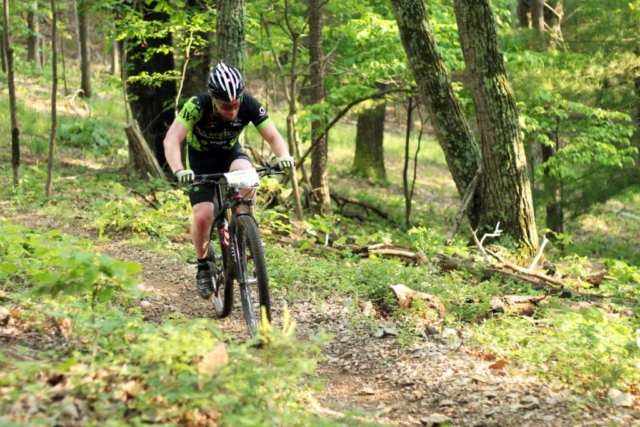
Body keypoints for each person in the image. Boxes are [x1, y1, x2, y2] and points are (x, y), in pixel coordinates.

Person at [163, 62, 294, 300]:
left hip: (230, 154)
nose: (232, 111)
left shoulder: (249, 104)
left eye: (236, 105)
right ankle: (203, 266)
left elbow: (273, 135)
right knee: (203, 216)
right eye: (225, 106)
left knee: (248, 177)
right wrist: (179, 169)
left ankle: (245, 231)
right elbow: (172, 139)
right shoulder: (196, 106)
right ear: (213, 98)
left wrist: (283, 156)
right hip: (201, 160)